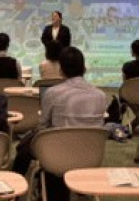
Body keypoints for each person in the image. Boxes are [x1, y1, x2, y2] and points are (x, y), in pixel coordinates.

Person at [12, 46, 107, 201]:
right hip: (91, 155)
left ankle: (13, 190)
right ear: (84, 69)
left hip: (57, 155)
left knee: (26, 146)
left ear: (61, 70)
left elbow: (43, 126)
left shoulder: (53, 93)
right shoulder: (101, 96)